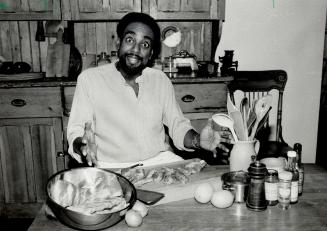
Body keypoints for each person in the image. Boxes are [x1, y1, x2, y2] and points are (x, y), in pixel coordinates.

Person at [67, 12, 230, 168]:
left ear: (151, 53)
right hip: (109, 167)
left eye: (145, 44)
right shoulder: (90, 80)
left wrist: (197, 140)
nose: (136, 49)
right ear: (118, 43)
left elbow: (178, 126)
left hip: (158, 163)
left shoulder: (160, 80)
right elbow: (76, 130)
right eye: (130, 39)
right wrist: (81, 145)